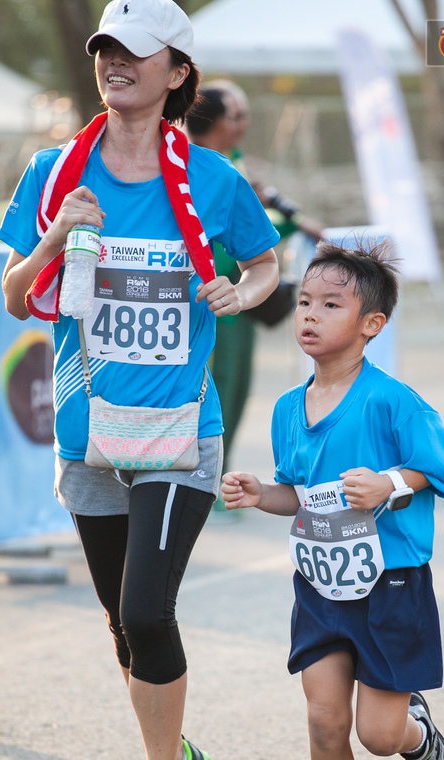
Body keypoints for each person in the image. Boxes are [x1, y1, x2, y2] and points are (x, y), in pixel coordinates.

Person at [0, 0, 279, 760]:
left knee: (148, 610)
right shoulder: (52, 171)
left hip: (178, 429)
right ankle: (179, 756)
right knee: (124, 626)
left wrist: (243, 291)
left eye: (136, 52)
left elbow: (266, 261)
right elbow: (15, 296)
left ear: (177, 73)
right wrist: (53, 238)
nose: (115, 63)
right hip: (88, 432)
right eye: (106, 50)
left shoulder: (212, 180)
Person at [221, 240, 444, 760]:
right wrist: (259, 494)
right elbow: (296, 494)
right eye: (304, 301)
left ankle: (417, 733)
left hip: (390, 585)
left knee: (377, 735)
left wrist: (389, 483)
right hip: (321, 584)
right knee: (325, 719)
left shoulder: (393, 402)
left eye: (330, 304)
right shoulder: (285, 410)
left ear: (370, 325)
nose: (308, 315)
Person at [185, 80, 324, 479]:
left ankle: (215, 475)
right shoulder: (197, 169)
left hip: (241, 299)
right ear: (212, 121)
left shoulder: (237, 165)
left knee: (237, 390)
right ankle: (202, 480)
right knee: (215, 391)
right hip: (212, 299)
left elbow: (261, 225)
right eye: (237, 116)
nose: (243, 125)